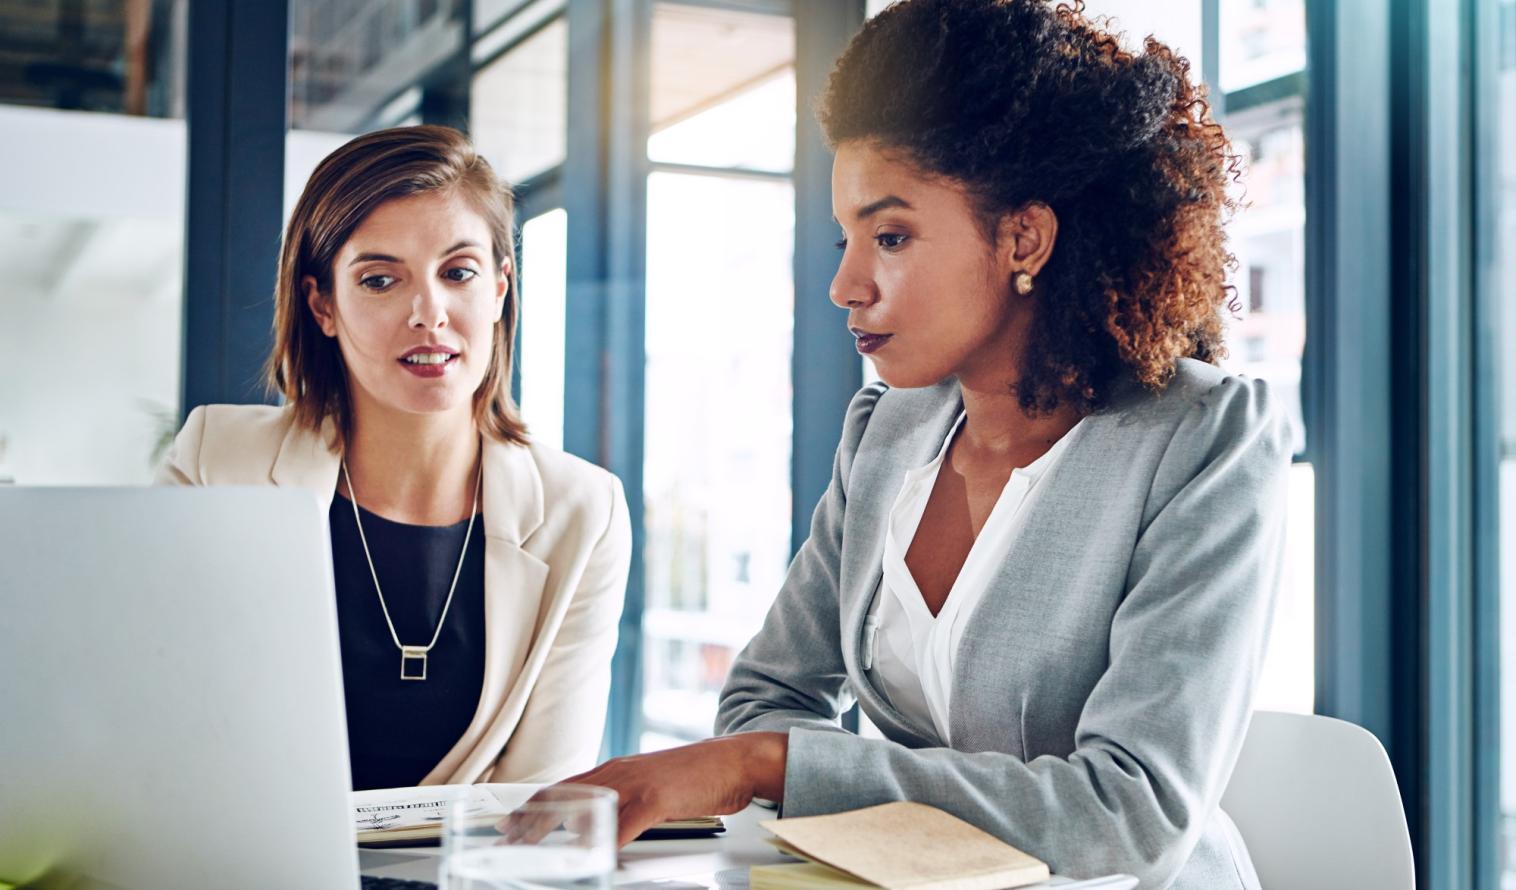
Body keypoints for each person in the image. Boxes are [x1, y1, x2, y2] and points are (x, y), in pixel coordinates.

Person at [561, 2, 1287, 887]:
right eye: (847, 238)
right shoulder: (886, 433)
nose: (844, 284)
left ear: (1025, 237)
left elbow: (1126, 816)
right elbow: (766, 698)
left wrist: (777, 769)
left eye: (891, 236)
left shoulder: (1203, 440)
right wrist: (788, 767)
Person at [156, 125, 631, 790]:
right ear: (322, 304)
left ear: (499, 289)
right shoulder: (217, 463)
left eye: (458, 273)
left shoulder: (584, 510)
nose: (428, 313)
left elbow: (541, 798)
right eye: (381, 280)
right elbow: (165, 731)